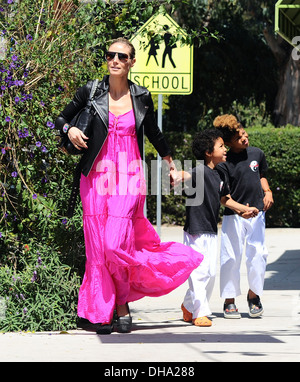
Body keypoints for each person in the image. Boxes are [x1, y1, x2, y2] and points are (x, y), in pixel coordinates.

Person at [55, 37, 203, 334]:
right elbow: (61, 117)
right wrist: (68, 129)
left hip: (129, 174)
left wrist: (170, 165)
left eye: (122, 57)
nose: (115, 60)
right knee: (98, 247)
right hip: (95, 176)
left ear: (131, 62)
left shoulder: (141, 96)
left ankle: (121, 302)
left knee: (115, 243)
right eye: (110, 55)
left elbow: (154, 132)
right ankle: (101, 311)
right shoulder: (92, 91)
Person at [179, 129, 259, 327]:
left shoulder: (219, 174)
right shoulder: (199, 172)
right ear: (208, 152)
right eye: (221, 146)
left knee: (211, 274)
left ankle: (188, 305)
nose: (225, 150)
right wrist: (175, 175)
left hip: (211, 230)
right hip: (195, 230)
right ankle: (200, 312)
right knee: (200, 272)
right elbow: (185, 175)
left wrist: (243, 210)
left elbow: (225, 200)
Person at [214, 114, 274, 319]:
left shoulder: (257, 153)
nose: (245, 138)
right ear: (229, 143)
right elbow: (224, 197)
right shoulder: (224, 162)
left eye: (244, 133)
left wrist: (268, 192)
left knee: (258, 255)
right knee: (231, 257)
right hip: (234, 217)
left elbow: (262, 175)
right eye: (239, 137)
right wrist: (241, 210)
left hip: (257, 213)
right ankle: (229, 300)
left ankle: (254, 295)